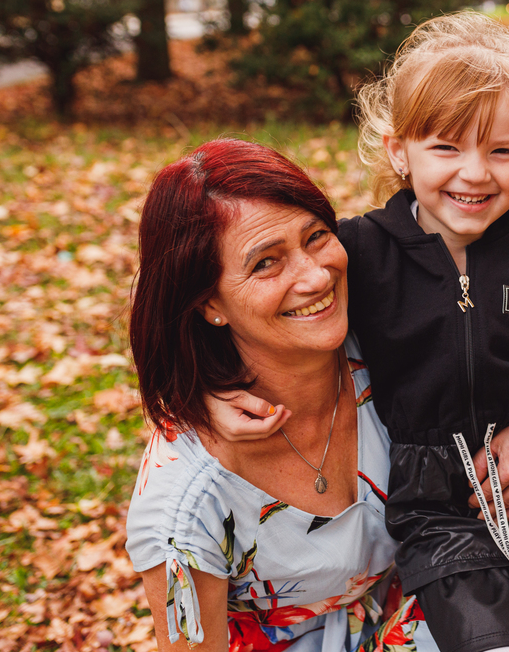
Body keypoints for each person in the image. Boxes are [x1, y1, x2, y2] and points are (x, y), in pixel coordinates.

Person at [211, 12, 509, 652]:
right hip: (441, 507)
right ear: (398, 150)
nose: (475, 173)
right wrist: (200, 388)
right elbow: (207, 303)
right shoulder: (363, 253)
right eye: (446, 147)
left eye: (501, 151)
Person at [124, 139, 440, 652]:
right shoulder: (188, 503)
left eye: (316, 236)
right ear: (209, 303)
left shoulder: (388, 345)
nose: (315, 277)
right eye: (266, 263)